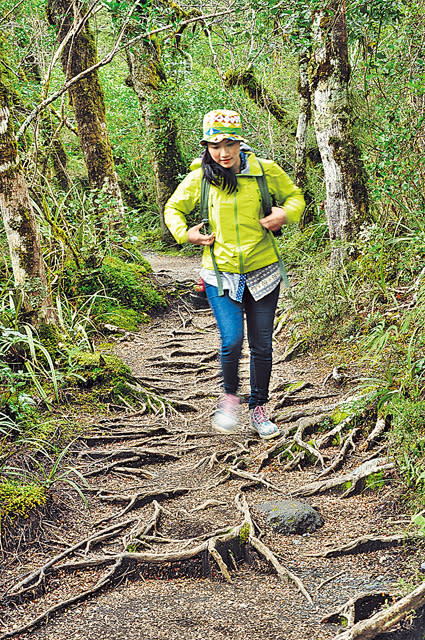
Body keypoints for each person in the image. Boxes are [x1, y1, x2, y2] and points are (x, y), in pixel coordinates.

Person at [164, 109, 305, 439]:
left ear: (240, 143)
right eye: (215, 146)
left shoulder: (264, 172)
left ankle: (259, 409)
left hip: (263, 270)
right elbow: (173, 209)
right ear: (206, 147)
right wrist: (187, 234)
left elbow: (296, 197)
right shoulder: (199, 177)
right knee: (231, 341)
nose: (223, 153)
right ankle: (229, 400)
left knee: (262, 345)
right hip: (219, 273)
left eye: (229, 144)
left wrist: (284, 213)